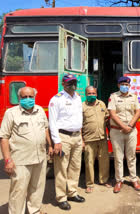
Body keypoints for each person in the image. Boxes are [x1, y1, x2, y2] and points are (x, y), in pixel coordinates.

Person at [0, 86, 53, 214]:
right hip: (20, 159)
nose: (28, 99)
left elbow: (45, 128)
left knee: (37, 188)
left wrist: (50, 145)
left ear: (34, 97)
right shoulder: (11, 113)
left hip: (40, 157)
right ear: (19, 98)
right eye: (24, 97)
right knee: (18, 190)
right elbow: (4, 137)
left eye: (31, 97)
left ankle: (34, 210)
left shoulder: (40, 110)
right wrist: (7, 160)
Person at [49, 74, 85, 210]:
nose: (73, 85)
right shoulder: (56, 99)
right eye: (70, 83)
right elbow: (52, 122)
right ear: (63, 84)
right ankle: (61, 197)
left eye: (74, 82)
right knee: (61, 169)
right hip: (63, 137)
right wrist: (56, 141)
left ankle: (72, 192)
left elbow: (78, 120)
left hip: (76, 136)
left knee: (75, 167)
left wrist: (81, 138)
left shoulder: (78, 98)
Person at [108, 76, 140, 193]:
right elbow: (112, 113)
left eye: (127, 85)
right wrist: (123, 127)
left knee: (131, 156)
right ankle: (119, 180)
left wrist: (130, 126)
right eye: (122, 84)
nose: (125, 86)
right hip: (117, 131)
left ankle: (133, 179)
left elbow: (138, 112)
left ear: (129, 86)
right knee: (118, 157)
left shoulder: (134, 97)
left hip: (131, 131)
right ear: (118, 85)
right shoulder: (113, 97)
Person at [82, 86, 111, 193]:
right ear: (86, 94)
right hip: (89, 139)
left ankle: (104, 180)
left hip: (102, 137)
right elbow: (79, 124)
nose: (91, 95)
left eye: (93, 93)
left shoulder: (102, 104)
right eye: (89, 94)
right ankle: (90, 184)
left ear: (96, 94)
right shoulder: (82, 107)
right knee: (89, 162)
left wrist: (110, 132)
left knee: (104, 160)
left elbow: (107, 120)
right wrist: (81, 140)